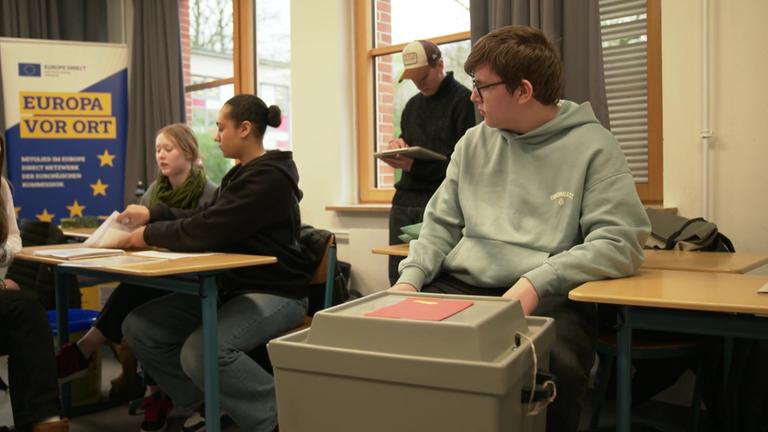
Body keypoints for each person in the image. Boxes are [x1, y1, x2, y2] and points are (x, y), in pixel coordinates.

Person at [390, 26, 651, 432]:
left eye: (481, 87)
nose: (472, 97)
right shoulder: (472, 144)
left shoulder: (594, 147)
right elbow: (439, 224)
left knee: (548, 369)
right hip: (462, 283)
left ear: (523, 91)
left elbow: (620, 242)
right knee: (390, 345)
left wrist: (535, 282)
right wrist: (409, 281)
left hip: (549, 293)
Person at [119, 95, 310, 432]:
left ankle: (281, 417)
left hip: (277, 293)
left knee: (202, 352)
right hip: (232, 289)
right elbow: (206, 216)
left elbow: (209, 229)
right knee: (140, 327)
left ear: (245, 129)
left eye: (221, 128)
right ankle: (210, 403)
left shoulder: (267, 179)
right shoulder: (240, 176)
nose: (216, 135)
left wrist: (150, 234)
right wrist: (154, 213)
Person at [56, 124, 217, 408]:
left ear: (189, 152)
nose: (161, 156)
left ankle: (90, 352)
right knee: (138, 289)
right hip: (157, 275)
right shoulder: (155, 190)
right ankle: (151, 392)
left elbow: (201, 233)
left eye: (168, 149)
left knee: (137, 295)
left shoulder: (209, 192)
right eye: (157, 150)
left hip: (194, 280)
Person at [380, 40, 475, 284]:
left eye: (422, 75)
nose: (418, 83)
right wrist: (397, 148)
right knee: (398, 275)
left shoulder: (464, 101)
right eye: (412, 77)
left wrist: (414, 166)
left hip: (440, 202)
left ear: (440, 64)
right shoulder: (412, 106)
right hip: (404, 202)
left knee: (436, 278)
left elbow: (466, 167)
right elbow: (408, 142)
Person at [0, 135, 69, 432]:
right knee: (26, 310)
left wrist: (5, 253)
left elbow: (14, 237)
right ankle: (43, 419)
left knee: (25, 314)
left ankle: (41, 420)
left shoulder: (1, 186)